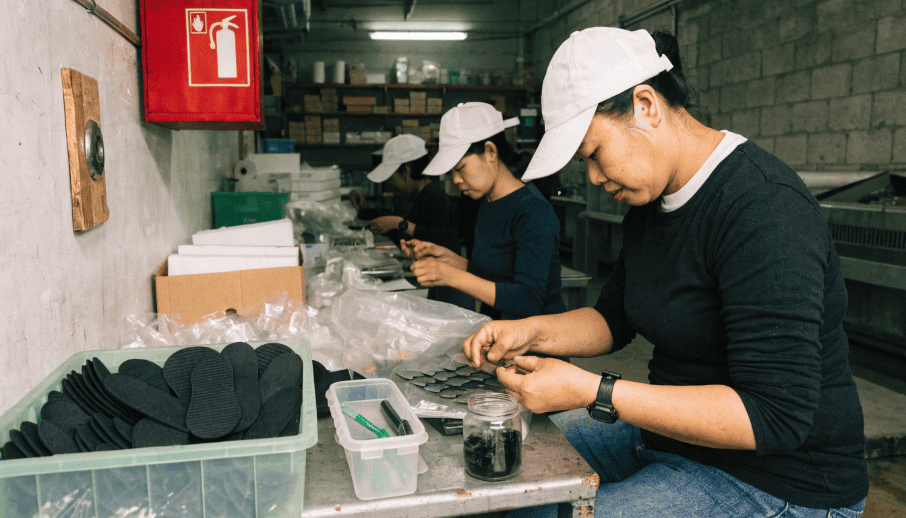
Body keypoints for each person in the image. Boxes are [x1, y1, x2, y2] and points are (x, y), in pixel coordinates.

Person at [463, 28, 868, 517]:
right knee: (503, 479)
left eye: (594, 153)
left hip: (778, 478)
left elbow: (774, 416)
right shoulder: (649, 205)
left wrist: (591, 390)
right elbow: (614, 319)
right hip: (671, 439)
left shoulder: (763, 208)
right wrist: (527, 331)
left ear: (647, 105)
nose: (592, 177)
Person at [403, 102, 567, 320]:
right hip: (500, 335)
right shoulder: (487, 202)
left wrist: (450, 276)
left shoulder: (533, 211)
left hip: (538, 344)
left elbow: (528, 299)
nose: (456, 180)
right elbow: (494, 277)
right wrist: (447, 260)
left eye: (460, 168)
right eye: (451, 172)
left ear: (490, 152)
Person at [365, 134, 472, 309]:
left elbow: (446, 239)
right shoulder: (420, 195)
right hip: (438, 281)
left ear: (406, 171)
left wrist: (401, 224)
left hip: (451, 286)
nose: (393, 184)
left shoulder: (434, 194)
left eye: (394, 178)